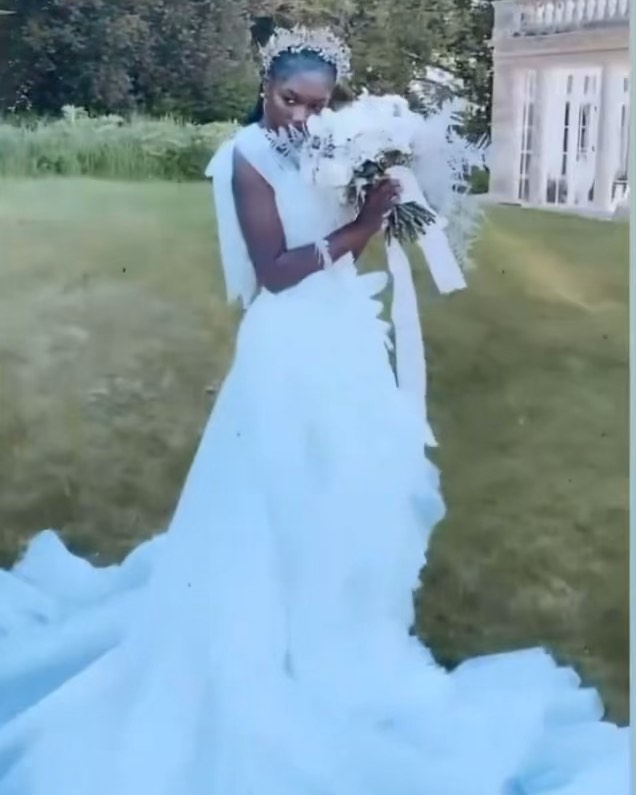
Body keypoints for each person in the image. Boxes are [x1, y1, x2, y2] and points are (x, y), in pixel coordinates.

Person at [0, 25, 628, 795]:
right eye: (289, 99)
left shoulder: (330, 145)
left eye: (317, 104)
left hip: (343, 329)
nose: (301, 115)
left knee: (344, 483)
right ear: (266, 87)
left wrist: (374, 204)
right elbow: (274, 270)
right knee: (275, 488)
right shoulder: (245, 157)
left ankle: (336, 631)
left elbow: (341, 255)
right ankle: (261, 640)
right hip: (286, 342)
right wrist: (362, 222)